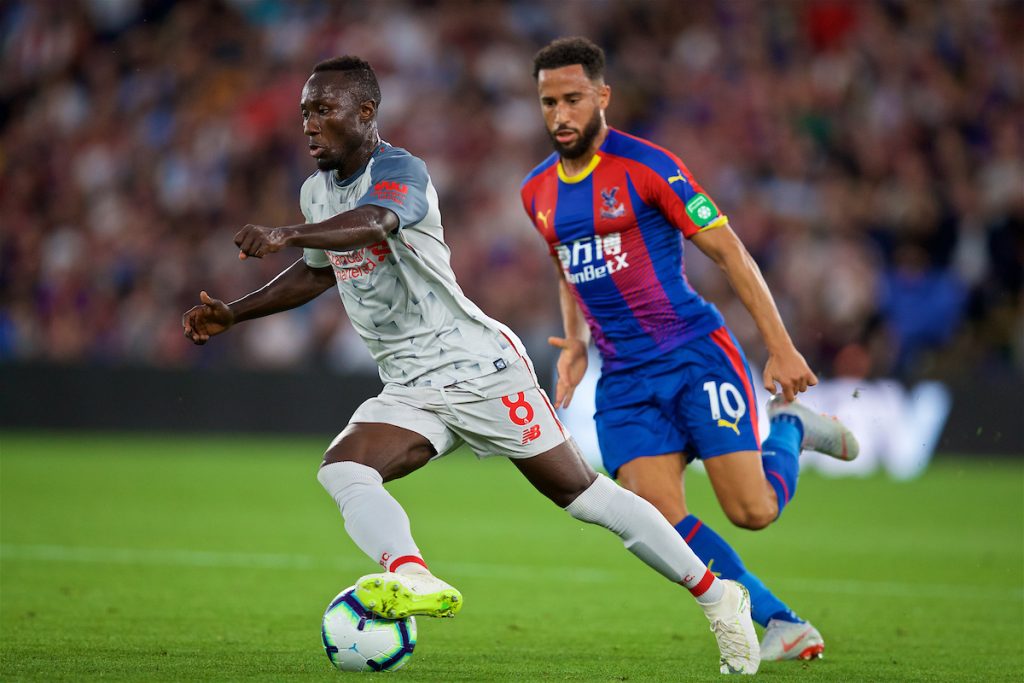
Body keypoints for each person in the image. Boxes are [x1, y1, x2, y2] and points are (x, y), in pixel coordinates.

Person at [182, 56, 761, 675]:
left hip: (480, 368)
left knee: (585, 497)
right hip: (409, 385)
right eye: (305, 112)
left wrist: (289, 232)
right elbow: (316, 274)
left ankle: (719, 597)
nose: (309, 124)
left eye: (324, 110)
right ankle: (411, 574)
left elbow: (376, 222)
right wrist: (236, 314)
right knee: (344, 468)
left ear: (366, 113)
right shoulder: (317, 191)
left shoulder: (401, 170)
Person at [520, 37, 860, 662]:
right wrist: (574, 340)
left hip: (692, 356)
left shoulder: (649, 166)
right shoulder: (536, 191)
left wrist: (781, 347)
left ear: (602, 96)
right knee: (656, 520)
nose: (560, 115)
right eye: (548, 103)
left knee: (752, 512)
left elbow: (729, 250)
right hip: (622, 377)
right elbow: (566, 264)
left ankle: (788, 429)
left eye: (572, 99)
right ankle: (780, 621)